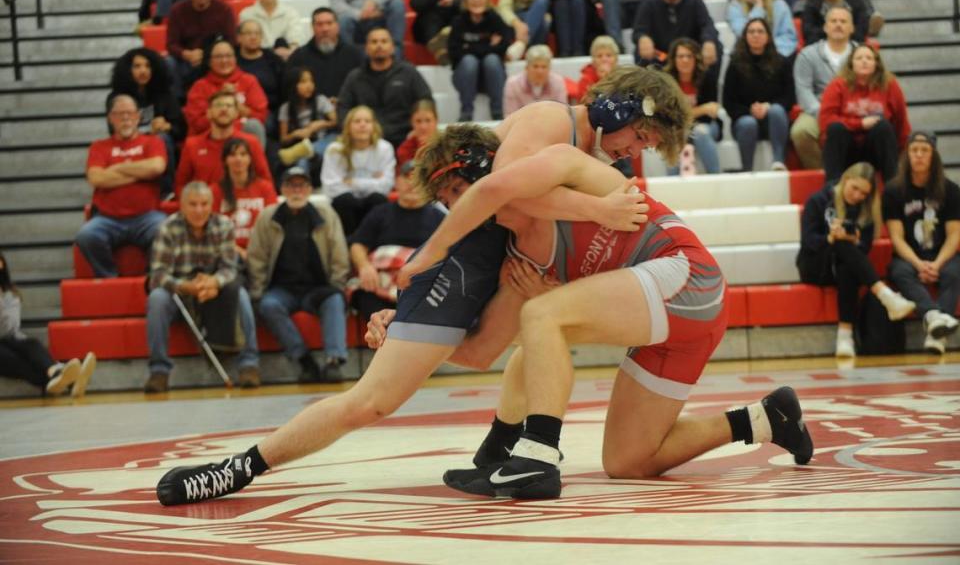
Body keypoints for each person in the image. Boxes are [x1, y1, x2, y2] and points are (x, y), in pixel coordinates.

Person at [152, 66, 676, 507]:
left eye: (646, 144)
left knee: (520, 343)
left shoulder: (579, 153)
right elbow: (502, 194)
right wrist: (428, 269)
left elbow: (478, 351)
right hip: (474, 255)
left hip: (507, 262)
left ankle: (501, 450)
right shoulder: (550, 122)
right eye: (639, 135)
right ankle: (236, 469)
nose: (635, 149)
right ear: (616, 111)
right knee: (371, 402)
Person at [398, 99, 811, 500]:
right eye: (444, 200)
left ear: (480, 168)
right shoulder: (519, 258)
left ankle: (537, 454)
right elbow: (480, 352)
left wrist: (432, 251)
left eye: (455, 189)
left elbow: (499, 188)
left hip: (687, 278)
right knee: (629, 459)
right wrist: (400, 329)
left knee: (542, 315)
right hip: (673, 321)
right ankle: (767, 419)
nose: (454, 206)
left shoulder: (567, 166)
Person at [146, 181, 261, 393]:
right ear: (181, 205)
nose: (199, 210)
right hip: (178, 290)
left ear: (211, 204)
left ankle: (249, 364)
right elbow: (159, 274)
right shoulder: (167, 228)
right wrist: (186, 286)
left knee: (242, 295)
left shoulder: (224, 224)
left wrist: (214, 282)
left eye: (204, 204)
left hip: (213, 286)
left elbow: (229, 268)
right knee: (156, 299)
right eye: (193, 204)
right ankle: (159, 370)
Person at [797, 162, 916, 357]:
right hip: (815, 265)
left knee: (847, 265)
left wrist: (854, 239)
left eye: (864, 193)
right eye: (855, 188)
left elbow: (864, 249)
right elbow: (808, 241)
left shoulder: (866, 209)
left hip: (846, 267)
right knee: (841, 245)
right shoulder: (818, 201)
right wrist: (831, 237)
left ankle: (845, 337)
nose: (858, 196)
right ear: (845, 179)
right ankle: (885, 295)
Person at [248, 167, 351, 383]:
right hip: (282, 289)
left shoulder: (325, 215)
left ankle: (334, 361)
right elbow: (256, 257)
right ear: (282, 189)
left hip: (318, 288)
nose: (297, 190)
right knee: (268, 305)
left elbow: (339, 254)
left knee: (334, 300)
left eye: (302, 185)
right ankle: (303, 359)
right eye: (291, 185)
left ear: (310, 189)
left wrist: (337, 285)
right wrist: (258, 290)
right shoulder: (268, 217)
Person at [883, 132, 960, 355]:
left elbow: (954, 235)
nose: (918, 155)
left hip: (942, 254)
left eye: (924, 150)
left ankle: (937, 332)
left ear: (933, 156)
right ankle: (935, 317)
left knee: (954, 272)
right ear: (907, 154)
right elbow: (896, 238)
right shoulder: (893, 191)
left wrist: (936, 264)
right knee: (899, 271)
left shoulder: (951, 190)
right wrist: (919, 264)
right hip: (909, 256)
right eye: (914, 150)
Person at [76, 95, 167, 278]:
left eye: (130, 113)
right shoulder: (99, 146)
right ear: (110, 118)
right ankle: (109, 278)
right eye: (119, 114)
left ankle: (152, 279)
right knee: (86, 235)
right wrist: (139, 173)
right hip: (108, 219)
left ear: (138, 116)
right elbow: (97, 179)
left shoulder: (153, 142)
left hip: (147, 217)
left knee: (165, 229)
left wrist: (117, 168)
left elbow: (156, 167)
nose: (125, 118)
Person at [347, 160, 445, 320]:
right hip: (380, 283)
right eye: (407, 177)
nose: (412, 184)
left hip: (420, 284)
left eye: (418, 179)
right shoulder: (380, 212)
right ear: (396, 182)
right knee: (362, 293)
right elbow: (358, 245)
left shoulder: (439, 218)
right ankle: (384, 340)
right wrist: (364, 266)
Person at [0, 252, 97, 398]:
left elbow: (9, 329)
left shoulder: (11, 295)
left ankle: (56, 373)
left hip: (10, 340)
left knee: (32, 343)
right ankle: (70, 380)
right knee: (14, 359)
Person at [819, 45, 910, 183]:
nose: (864, 61)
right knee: (835, 129)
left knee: (883, 126)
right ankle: (832, 190)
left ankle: (893, 189)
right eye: (859, 58)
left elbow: (901, 122)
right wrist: (860, 124)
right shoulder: (837, 85)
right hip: (846, 149)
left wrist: (904, 154)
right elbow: (826, 121)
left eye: (869, 58)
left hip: (876, 149)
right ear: (851, 64)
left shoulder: (890, 85)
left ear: (876, 64)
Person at [336, 27, 433, 148]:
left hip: (405, 138)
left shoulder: (409, 72)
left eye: (384, 41)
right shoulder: (355, 77)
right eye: (374, 42)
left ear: (392, 47)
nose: (379, 45)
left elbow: (425, 102)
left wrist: (418, 130)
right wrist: (352, 132)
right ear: (366, 48)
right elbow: (343, 108)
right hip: (366, 140)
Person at [108, 47, 185, 197]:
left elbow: (181, 129)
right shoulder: (116, 98)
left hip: (158, 146)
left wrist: (167, 126)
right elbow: (114, 130)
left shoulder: (164, 94)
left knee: (161, 139)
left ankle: (166, 192)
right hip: (127, 145)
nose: (143, 70)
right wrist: (148, 131)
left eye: (148, 66)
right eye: (137, 66)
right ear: (127, 70)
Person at [722, 17, 794, 171]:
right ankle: (747, 169)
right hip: (744, 123)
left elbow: (789, 97)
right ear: (745, 36)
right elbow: (728, 101)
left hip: (774, 122)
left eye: (760, 31)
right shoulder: (735, 64)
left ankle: (778, 161)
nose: (756, 35)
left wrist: (767, 107)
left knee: (777, 110)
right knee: (748, 123)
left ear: (768, 36)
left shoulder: (782, 62)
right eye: (751, 31)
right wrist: (749, 111)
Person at [790, 5, 856, 170]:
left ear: (852, 28)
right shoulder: (807, 55)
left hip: (854, 110)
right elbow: (803, 90)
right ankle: (823, 173)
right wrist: (824, 114)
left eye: (843, 21)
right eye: (833, 21)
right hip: (817, 110)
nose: (838, 25)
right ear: (825, 27)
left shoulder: (862, 55)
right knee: (800, 131)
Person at [175, 90, 274, 198]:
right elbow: (181, 185)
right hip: (205, 208)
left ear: (237, 113)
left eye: (229, 105)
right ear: (208, 113)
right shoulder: (192, 145)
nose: (224, 109)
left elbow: (265, 181)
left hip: (242, 207)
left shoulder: (250, 142)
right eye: (218, 105)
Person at [320, 105, 395, 234]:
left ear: (374, 126)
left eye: (367, 121)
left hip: (372, 203)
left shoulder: (385, 148)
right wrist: (372, 182)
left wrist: (352, 182)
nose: (362, 125)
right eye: (357, 121)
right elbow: (330, 187)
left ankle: (372, 247)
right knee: (346, 200)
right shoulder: (335, 149)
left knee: (377, 199)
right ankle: (349, 246)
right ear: (348, 126)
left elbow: (386, 185)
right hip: (345, 207)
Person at [183, 38, 269, 146]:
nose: (224, 61)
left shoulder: (249, 80)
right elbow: (197, 123)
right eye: (218, 57)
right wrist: (220, 100)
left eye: (228, 56)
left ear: (235, 59)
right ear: (209, 62)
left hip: (242, 144)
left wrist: (235, 103)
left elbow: (260, 116)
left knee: (254, 126)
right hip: (209, 140)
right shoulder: (200, 86)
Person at [165, 0, 236, 98]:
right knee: (169, 62)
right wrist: (186, 54)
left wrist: (209, 55)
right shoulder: (177, 10)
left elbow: (231, 41)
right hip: (186, 60)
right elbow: (171, 44)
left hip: (214, 59)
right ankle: (177, 101)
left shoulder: (224, 10)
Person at [632, 0, 720, 67]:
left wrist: (709, 41)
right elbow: (639, 30)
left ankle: (708, 83)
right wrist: (643, 38)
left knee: (715, 45)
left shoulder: (695, 3)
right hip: (661, 57)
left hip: (690, 57)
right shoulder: (649, 4)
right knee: (640, 48)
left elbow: (707, 25)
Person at [448, 0, 512, 122]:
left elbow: (505, 43)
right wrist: (489, 47)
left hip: (491, 76)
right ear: (465, 0)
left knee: (492, 60)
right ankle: (466, 113)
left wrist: (469, 47)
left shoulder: (494, 18)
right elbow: (454, 52)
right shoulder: (459, 21)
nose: (476, 0)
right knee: (470, 61)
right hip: (465, 76)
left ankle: (497, 112)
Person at [210, 138, 279, 261]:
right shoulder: (215, 191)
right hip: (228, 253)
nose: (238, 159)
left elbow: (274, 225)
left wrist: (256, 254)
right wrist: (239, 252)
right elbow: (213, 232)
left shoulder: (265, 188)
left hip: (262, 253)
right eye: (232, 155)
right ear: (225, 160)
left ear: (250, 159)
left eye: (243, 154)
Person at [663, 38, 721, 174]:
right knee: (675, 136)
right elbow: (669, 115)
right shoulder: (666, 80)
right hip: (676, 128)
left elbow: (712, 112)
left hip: (706, 125)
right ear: (674, 59)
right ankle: (673, 186)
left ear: (696, 58)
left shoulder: (708, 77)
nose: (685, 60)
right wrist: (702, 109)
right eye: (681, 56)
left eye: (689, 56)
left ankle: (716, 179)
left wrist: (684, 113)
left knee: (700, 132)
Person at [285, 7, 365, 101]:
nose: (325, 29)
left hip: (348, 111)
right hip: (310, 112)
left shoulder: (354, 54)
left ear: (337, 26)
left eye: (329, 23)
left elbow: (363, 88)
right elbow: (289, 91)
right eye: (319, 24)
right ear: (312, 27)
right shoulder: (299, 57)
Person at [727, 0, 797, 58]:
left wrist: (767, 51)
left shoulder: (780, 5)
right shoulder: (735, 6)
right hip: (746, 55)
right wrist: (758, 6)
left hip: (775, 54)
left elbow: (788, 37)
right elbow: (743, 33)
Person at [277, 67, 338, 170]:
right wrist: (295, 134)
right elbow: (283, 139)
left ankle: (300, 151)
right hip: (301, 142)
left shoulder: (320, 100)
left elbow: (336, 121)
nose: (309, 85)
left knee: (334, 138)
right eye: (303, 82)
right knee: (303, 160)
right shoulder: (285, 108)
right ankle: (303, 150)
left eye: (311, 81)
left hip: (324, 140)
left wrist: (320, 124)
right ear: (293, 85)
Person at [236, 19, 286, 143]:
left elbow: (284, 92)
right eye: (248, 33)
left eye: (257, 33)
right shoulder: (231, 60)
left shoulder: (274, 61)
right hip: (237, 110)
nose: (253, 37)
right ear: (239, 37)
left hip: (268, 111)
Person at [238, 0, 303, 60]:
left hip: (285, 58)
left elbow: (296, 40)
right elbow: (245, 42)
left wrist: (288, 52)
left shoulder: (290, 13)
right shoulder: (246, 14)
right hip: (257, 58)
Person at [503, 44, 569, 116]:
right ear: (526, 68)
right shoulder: (513, 84)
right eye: (535, 66)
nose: (540, 71)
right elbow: (510, 117)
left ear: (549, 68)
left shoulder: (558, 82)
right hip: (521, 126)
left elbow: (563, 115)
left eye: (544, 67)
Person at [395, 99, 439, 169]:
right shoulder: (404, 149)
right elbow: (407, 176)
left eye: (428, 120)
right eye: (418, 121)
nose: (423, 127)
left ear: (436, 121)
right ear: (412, 122)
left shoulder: (447, 145)